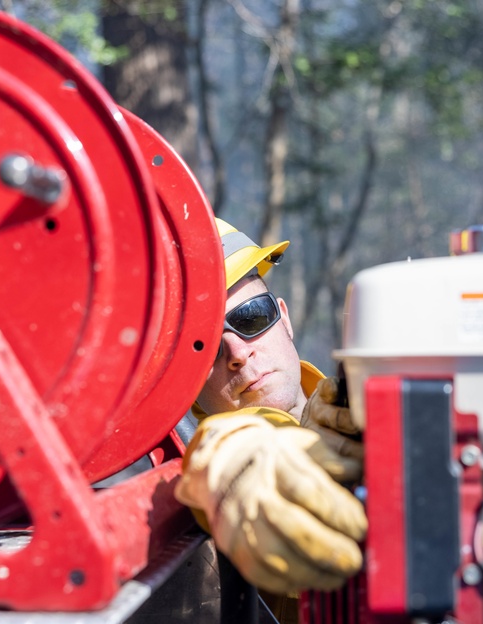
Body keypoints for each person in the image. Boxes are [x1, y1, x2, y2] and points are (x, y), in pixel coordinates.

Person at [174, 218, 368, 615]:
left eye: (250, 318)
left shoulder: (354, 407)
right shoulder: (207, 457)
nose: (238, 354)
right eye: (205, 345)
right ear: (187, 383)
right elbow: (225, 455)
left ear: (284, 317)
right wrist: (249, 473)